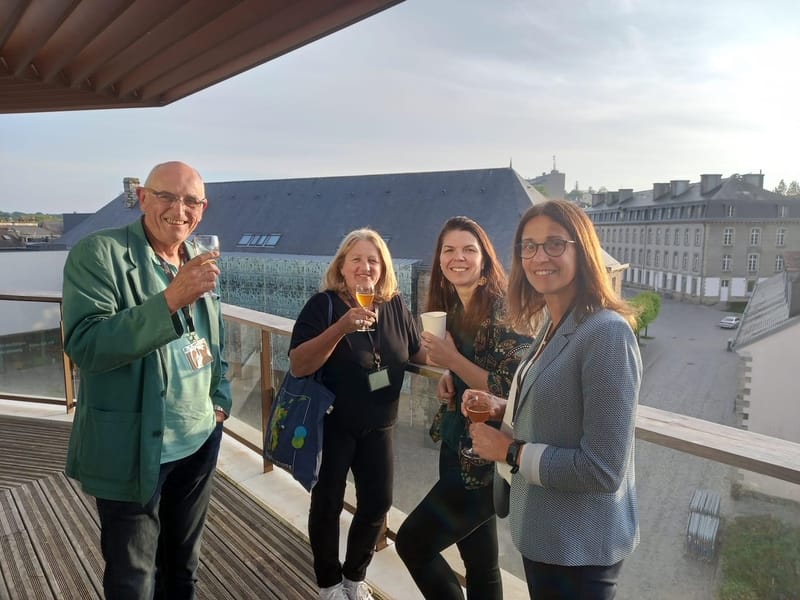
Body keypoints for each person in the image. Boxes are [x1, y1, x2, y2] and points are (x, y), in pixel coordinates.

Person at [62, 161, 231, 599]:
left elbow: (214, 338)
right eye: (166, 196)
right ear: (141, 198)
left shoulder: (196, 256)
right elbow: (86, 344)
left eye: (191, 201)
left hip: (199, 438)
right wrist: (170, 300)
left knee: (183, 569)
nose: (179, 210)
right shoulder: (99, 253)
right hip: (134, 448)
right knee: (134, 579)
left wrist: (220, 400)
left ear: (203, 209)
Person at [467, 200, 642, 600]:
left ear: (583, 251)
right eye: (528, 246)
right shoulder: (554, 321)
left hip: (580, 549)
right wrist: (501, 407)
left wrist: (509, 451)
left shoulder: (606, 333)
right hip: (547, 536)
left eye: (555, 244)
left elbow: (603, 469)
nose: (539, 257)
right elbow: (559, 405)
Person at [395, 216, 531, 599]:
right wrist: (450, 375)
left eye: (469, 250)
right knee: (480, 563)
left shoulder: (507, 311)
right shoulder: (454, 308)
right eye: (449, 250)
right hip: (457, 445)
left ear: (485, 258)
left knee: (413, 543)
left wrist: (452, 361)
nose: (458, 257)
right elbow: (473, 366)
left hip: (487, 461)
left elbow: (516, 392)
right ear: (439, 259)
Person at [288, 228, 426, 600]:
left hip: (381, 424)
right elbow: (299, 363)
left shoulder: (394, 304)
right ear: (342, 266)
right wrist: (341, 327)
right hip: (334, 423)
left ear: (383, 267)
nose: (365, 267)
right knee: (327, 504)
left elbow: (417, 351)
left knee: (378, 503)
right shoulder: (323, 305)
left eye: (373, 260)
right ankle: (329, 583)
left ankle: (353, 575)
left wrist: (451, 368)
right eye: (357, 260)